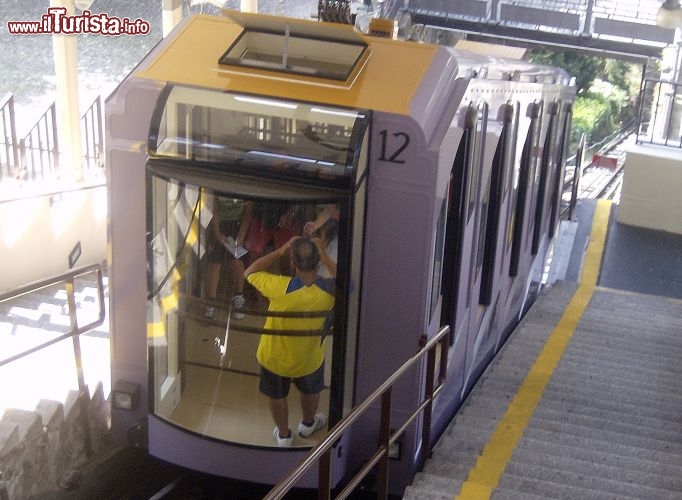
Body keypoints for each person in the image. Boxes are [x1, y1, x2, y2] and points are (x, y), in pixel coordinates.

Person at [244, 237, 335, 447]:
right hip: (310, 357)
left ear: (293, 263)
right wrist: (324, 254)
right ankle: (308, 424)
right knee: (311, 390)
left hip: (274, 357)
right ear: (318, 261)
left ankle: (284, 436)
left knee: (277, 395)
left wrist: (279, 251)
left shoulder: (279, 287)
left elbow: (249, 272)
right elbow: (348, 283)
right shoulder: (329, 291)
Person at [204, 196, 252, 320]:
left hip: (237, 226)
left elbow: (247, 215)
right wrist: (217, 233)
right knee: (215, 263)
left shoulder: (245, 187)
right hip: (218, 225)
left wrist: (240, 238)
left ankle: (238, 298)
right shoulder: (218, 187)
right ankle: (210, 302)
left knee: (237, 262)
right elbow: (213, 210)